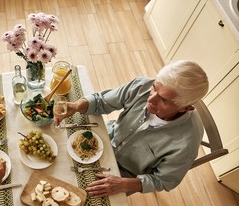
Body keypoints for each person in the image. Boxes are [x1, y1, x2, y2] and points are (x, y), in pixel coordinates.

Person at [55, 60, 209, 197]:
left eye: (163, 100)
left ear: (185, 108)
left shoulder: (187, 144)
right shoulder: (142, 86)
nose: (151, 99)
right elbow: (102, 101)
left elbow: (164, 180)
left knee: (77, 198)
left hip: (124, 175)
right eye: (154, 88)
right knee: (57, 164)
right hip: (104, 138)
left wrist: (124, 184)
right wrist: (75, 106)